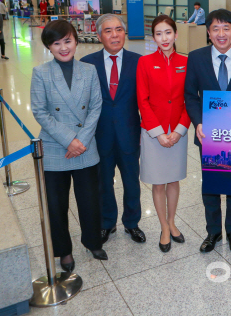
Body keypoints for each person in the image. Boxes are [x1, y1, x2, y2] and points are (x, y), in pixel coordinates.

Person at [30, 20, 107, 273]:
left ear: (76, 40)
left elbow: (96, 108)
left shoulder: (89, 70)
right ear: (49, 47)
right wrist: (69, 140)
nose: (64, 47)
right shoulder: (41, 73)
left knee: (89, 200)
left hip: (84, 147)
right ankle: (63, 250)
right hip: (55, 147)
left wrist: (81, 141)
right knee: (56, 204)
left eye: (68, 41)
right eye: (56, 43)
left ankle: (93, 241)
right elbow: (40, 112)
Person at [184, 8, 231, 253]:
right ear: (208, 32)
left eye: (226, 28)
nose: (221, 33)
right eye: (215, 28)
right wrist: (198, 123)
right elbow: (190, 96)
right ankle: (213, 231)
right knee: (211, 185)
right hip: (208, 135)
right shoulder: (195, 58)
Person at [80, 14, 145, 246]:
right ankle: (107, 223)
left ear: (124, 33)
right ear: (99, 35)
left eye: (119, 29)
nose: (115, 35)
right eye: (108, 31)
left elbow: (146, 100)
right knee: (103, 183)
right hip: (99, 135)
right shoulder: (87, 63)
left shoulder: (140, 62)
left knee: (131, 181)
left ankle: (132, 222)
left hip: (129, 133)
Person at [137, 15, 191, 252]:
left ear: (176, 34)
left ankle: (172, 220)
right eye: (158, 34)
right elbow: (143, 100)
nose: (164, 38)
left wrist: (179, 130)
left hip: (178, 129)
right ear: (153, 37)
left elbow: (191, 99)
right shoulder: (145, 63)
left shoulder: (187, 62)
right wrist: (158, 133)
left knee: (173, 179)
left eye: (168, 32)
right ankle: (164, 226)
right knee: (158, 182)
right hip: (153, 132)